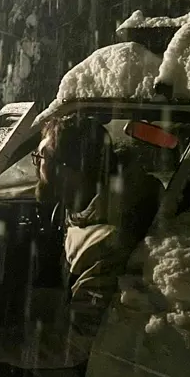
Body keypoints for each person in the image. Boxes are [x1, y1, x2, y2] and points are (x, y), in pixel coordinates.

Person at [34, 115, 164, 318]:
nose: (36, 164)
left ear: (66, 171)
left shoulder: (106, 241)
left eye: (41, 157)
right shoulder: (90, 204)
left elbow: (83, 328)